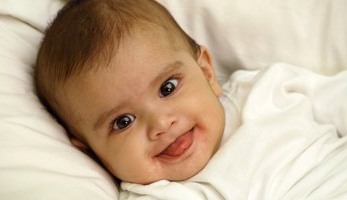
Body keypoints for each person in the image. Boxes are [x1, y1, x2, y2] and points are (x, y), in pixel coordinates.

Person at [35, 0, 347, 199]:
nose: (160, 123)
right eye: (123, 122)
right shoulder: (157, 194)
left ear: (207, 72)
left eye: (167, 88)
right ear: (89, 150)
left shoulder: (266, 91)